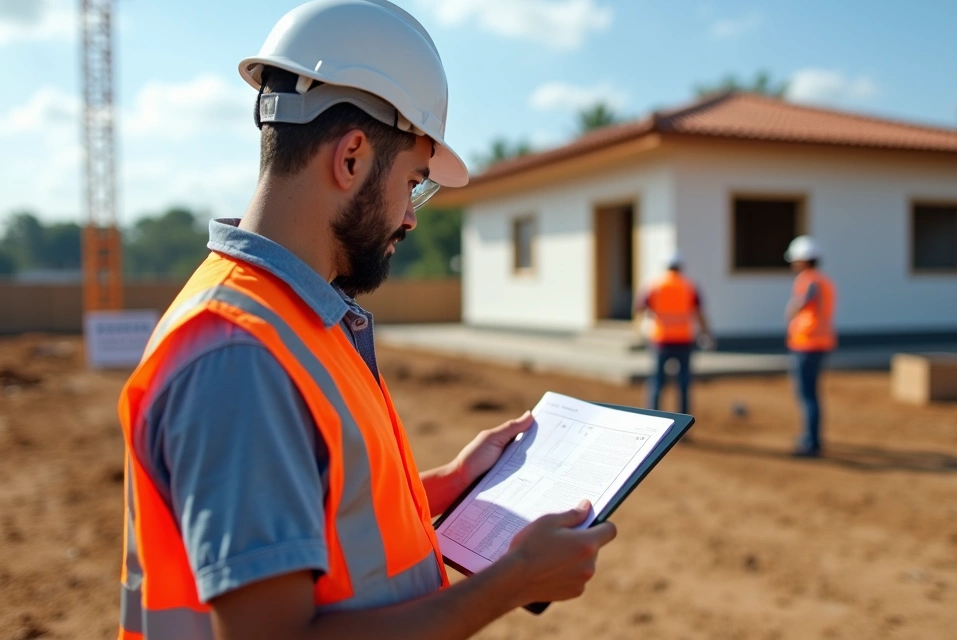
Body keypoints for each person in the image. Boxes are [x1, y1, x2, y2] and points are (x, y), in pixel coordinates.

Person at [115, 2, 617, 639]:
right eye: (412, 182)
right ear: (351, 157)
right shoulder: (239, 354)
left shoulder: (287, 318)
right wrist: (511, 583)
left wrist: (453, 484)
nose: (410, 217)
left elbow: (330, 520)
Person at [635, 253, 712, 415]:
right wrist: (706, 333)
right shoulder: (689, 285)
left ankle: (653, 417)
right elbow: (699, 312)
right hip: (683, 339)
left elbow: (640, 307)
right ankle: (683, 420)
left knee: (657, 381)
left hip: (661, 339)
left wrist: (639, 329)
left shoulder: (655, 285)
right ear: (681, 266)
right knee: (684, 382)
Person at [784, 235, 837, 457]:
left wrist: (790, 312)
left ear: (804, 260)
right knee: (811, 393)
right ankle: (810, 437)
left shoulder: (809, 281)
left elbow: (800, 304)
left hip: (807, 344)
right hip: (820, 342)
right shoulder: (824, 280)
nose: (793, 265)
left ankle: (811, 442)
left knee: (807, 394)